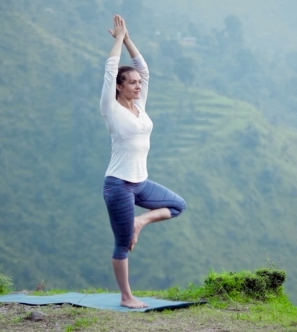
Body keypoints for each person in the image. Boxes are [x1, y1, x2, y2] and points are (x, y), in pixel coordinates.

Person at [100, 15, 187, 309]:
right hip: (119, 186)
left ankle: (141, 221)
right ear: (119, 87)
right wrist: (116, 43)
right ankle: (126, 296)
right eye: (132, 83)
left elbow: (144, 69)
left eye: (138, 83)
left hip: (141, 183)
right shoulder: (110, 108)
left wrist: (127, 39)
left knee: (177, 206)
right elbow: (111, 69)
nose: (138, 85)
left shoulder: (140, 105)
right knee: (122, 244)